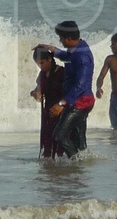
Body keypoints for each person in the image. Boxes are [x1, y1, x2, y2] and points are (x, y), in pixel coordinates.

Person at [37, 21, 94, 158]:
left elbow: (80, 85)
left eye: (61, 38)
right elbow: (67, 57)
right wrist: (53, 49)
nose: (60, 41)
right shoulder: (78, 48)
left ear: (68, 38)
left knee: (59, 136)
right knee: (79, 140)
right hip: (77, 100)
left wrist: (61, 103)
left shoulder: (82, 57)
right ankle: (81, 167)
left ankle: (76, 162)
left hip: (81, 102)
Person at [29, 46, 66, 158]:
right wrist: (35, 94)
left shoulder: (62, 72)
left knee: (60, 149)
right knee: (47, 148)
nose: (41, 66)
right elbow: (38, 90)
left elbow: (70, 94)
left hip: (62, 114)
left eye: (42, 63)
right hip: (48, 115)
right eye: (38, 64)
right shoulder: (42, 75)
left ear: (50, 59)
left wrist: (61, 106)